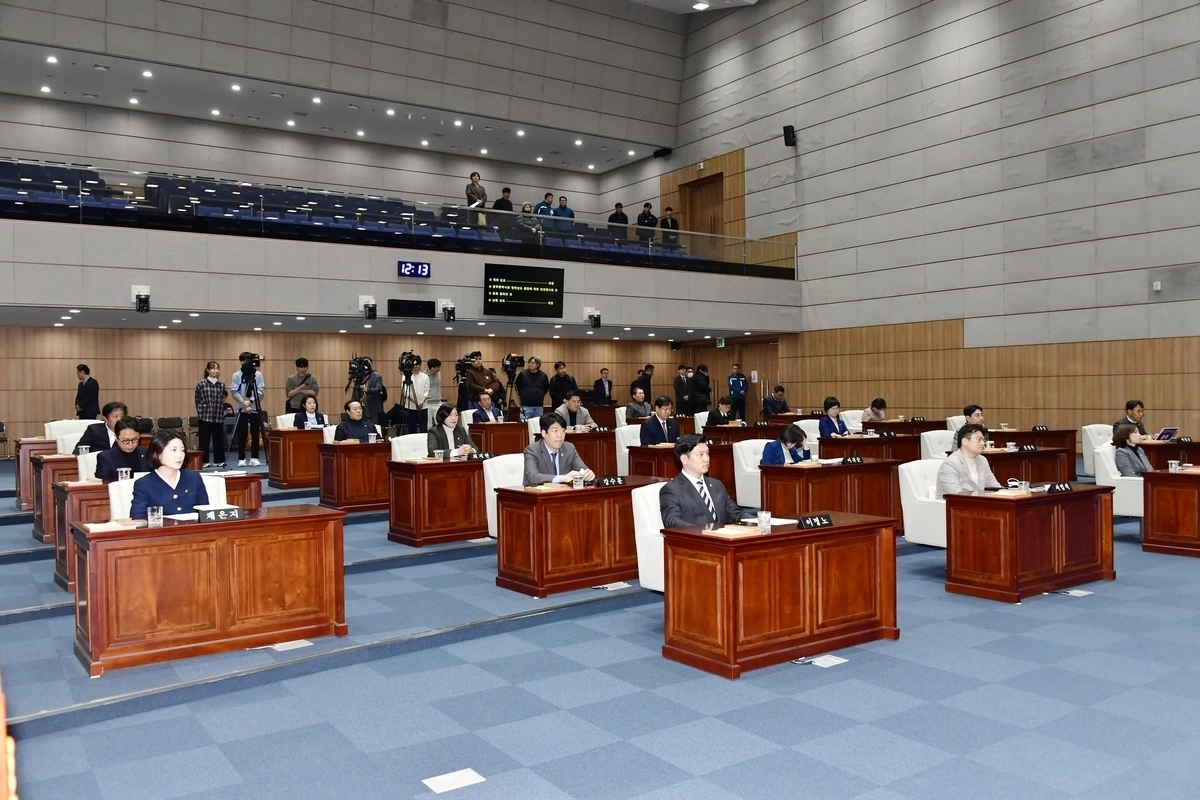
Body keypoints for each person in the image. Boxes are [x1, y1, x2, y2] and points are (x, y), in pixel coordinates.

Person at [659, 434, 749, 528]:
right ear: (684, 459)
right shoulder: (672, 490)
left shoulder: (716, 485)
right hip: (695, 536)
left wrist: (757, 521)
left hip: (723, 535)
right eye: (700, 454)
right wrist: (702, 532)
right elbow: (672, 521)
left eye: (707, 453)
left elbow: (736, 513)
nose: (707, 459)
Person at [129, 430, 209, 519]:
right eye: (173, 450)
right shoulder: (144, 484)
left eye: (182, 450)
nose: (180, 455)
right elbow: (138, 518)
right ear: (158, 453)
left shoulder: (194, 478)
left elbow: (206, 514)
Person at [523, 413, 595, 485]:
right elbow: (533, 477)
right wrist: (562, 478)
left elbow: (582, 469)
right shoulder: (532, 450)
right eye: (555, 431)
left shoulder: (569, 448)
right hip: (537, 491)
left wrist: (588, 474)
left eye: (563, 431)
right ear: (544, 433)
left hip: (563, 491)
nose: (560, 435)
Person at [937, 424, 1001, 497]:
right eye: (979, 439)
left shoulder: (982, 460)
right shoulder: (950, 465)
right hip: (954, 504)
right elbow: (956, 496)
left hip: (977, 502)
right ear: (965, 441)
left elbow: (995, 487)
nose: (983, 443)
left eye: (983, 440)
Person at [230, 353, 266, 467]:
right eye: (246, 360)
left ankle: (255, 457)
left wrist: (250, 401)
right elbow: (234, 391)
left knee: (255, 433)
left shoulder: (258, 375)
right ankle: (241, 458)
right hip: (241, 408)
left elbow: (260, 391)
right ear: (241, 362)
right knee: (242, 433)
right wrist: (244, 403)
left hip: (254, 407)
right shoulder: (236, 375)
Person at [194, 361, 227, 468]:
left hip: (218, 415)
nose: (216, 371)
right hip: (205, 416)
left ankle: (219, 460)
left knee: (219, 439)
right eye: (213, 368)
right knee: (204, 440)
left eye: (217, 369)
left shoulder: (221, 384)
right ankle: (204, 461)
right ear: (208, 370)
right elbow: (197, 400)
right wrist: (200, 411)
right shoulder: (201, 384)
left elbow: (223, 398)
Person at [96, 418, 149, 483]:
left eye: (135, 439)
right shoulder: (105, 457)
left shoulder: (146, 453)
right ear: (116, 438)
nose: (130, 444)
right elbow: (102, 484)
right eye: (125, 440)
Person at [400, 356, 430, 433]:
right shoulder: (405, 376)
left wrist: (421, 402)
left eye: (418, 364)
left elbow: (427, 391)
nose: (416, 366)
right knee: (412, 430)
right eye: (414, 364)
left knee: (424, 429)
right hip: (410, 407)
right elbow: (405, 392)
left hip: (423, 407)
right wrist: (416, 402)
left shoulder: (425, 376)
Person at [515, 356, 550, 420]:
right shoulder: (522, 374)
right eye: (529, 363)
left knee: (538, 424)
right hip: (526, 405)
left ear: (538, 365)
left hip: (538, 406)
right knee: (525, 424)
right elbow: (517, 387)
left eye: (532, 363)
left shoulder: (543, 375)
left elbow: (546, 388)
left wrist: (539, 394)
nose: (530, 364)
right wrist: (524, 394)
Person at [358, 357, 386, 429]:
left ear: (371, 364)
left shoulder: (377, 377)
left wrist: (367, 390)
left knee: (373, 427)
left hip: (373, 406)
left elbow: (378, 389)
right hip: (360, 406)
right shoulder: (359, 376)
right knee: (361, 427)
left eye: (368, 363)